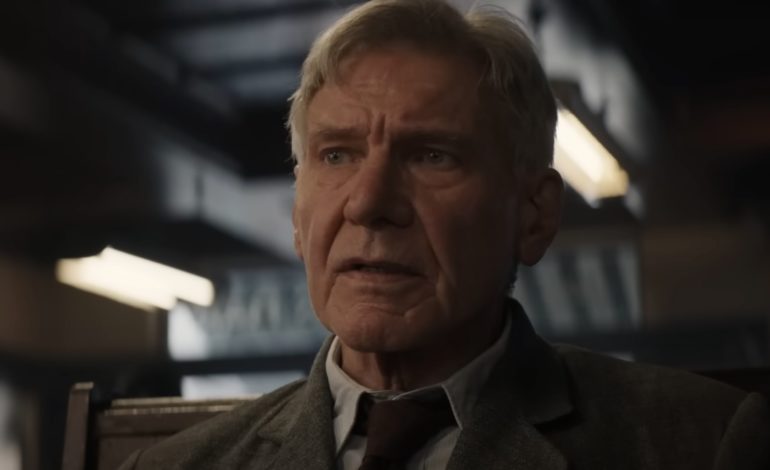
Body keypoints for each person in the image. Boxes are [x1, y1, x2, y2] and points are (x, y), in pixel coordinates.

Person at [119, 0, 770, 468]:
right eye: (337, 155)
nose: (369, 203)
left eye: (432, 155)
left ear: (534, 213)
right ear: (297, 213)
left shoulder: (699, 443)